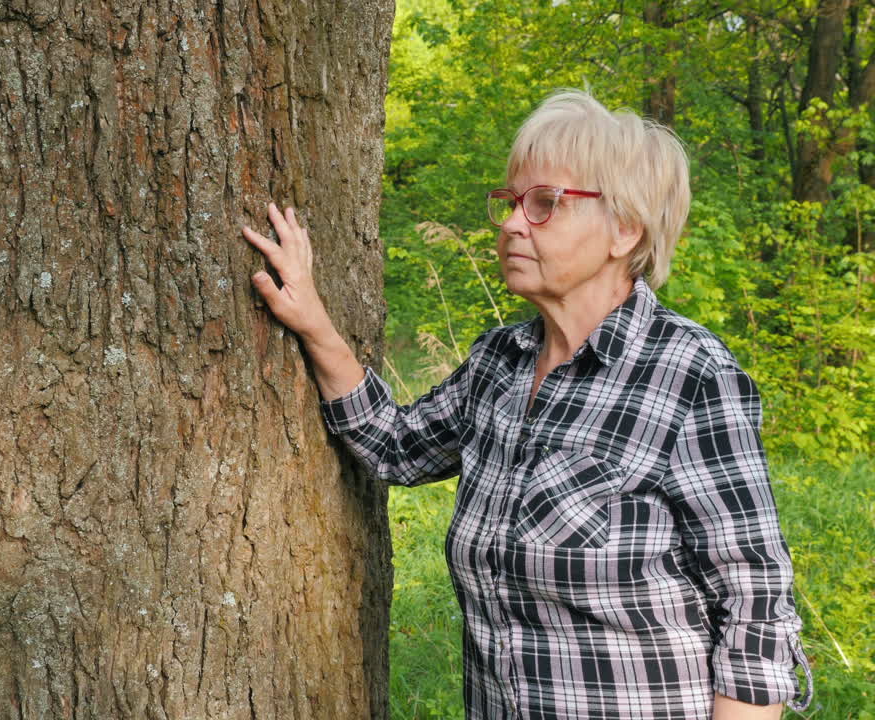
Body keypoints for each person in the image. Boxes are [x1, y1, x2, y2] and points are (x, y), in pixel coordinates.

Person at [240, 90, 811, 719]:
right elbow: (394, 445)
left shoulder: (690, 374)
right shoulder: (499, 363)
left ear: (625, 228)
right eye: (511, 203)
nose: (513, 222)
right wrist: (313, 320)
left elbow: (755, 602)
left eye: (545, 204)